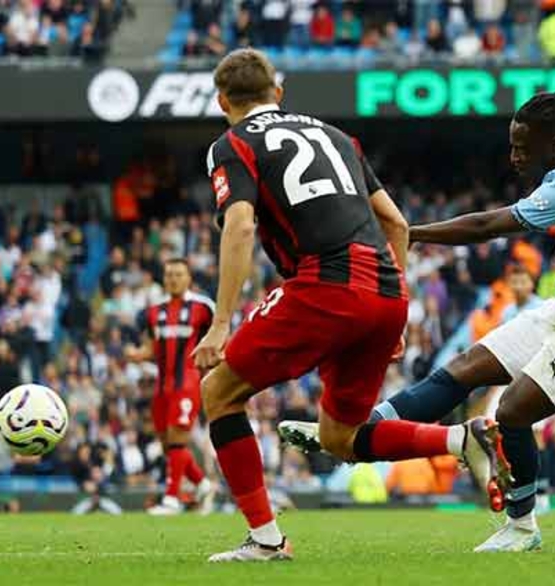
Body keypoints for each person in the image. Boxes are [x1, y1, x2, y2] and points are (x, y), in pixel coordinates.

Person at [282, 89, 555, 552]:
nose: (514, 156)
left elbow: (484, 228)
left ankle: (522, 527)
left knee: (513, 411)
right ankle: (357, 433)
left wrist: (411, 233)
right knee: (462, 370)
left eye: (524, 148)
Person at [192, 49, 507, 563]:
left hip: (326, 283)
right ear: (278, 92)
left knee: (219, 392)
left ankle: (267, 540)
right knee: (340, 437)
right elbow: (398, 225)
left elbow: (242, 225)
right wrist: (398, 303)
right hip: (385, 290)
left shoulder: (231, 144)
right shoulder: (337, 137)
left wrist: (221, 322)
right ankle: (462, 439)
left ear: (222, 99)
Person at [126, 258, 216, 515]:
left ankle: (172, 498)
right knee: (169, 446)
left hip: (187, 382)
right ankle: (202, 484)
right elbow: (152, 349)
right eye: (169, 275)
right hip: (162, 386)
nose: (173, 279)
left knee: (178, 441)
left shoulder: (203, 308)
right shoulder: (154, 312)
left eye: (178, 274)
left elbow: (220, 337)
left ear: (189, 278)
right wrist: (137, 354)